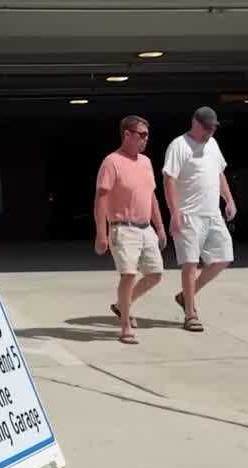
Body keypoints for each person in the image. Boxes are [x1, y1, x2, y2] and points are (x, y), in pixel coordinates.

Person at [162, 106, 237, 333]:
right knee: (190, 264)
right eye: (207, 128)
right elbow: (169, 180)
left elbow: (219, 173)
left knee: (223, 257)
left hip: (212, 213)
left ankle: (186, 295)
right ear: (195, 123)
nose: (210, 132)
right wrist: (174, 214)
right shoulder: (179, 146)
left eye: (213, 128)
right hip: (188, 215)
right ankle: (190, 314)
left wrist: (229, 199)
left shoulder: (212, 144)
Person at [94, 115, 167, 345]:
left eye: (147, 135)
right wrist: (101, 233)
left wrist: (160, 228)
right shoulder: (111, 162)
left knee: (155, 274)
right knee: (128, 275)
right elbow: (101, 199)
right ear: (127, 134)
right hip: (122, 228)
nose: (146, 139)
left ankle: (121, 305)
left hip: (146, 229)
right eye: (142, 134)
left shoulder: (145, 162)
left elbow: (151, 196)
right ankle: (125, 325)